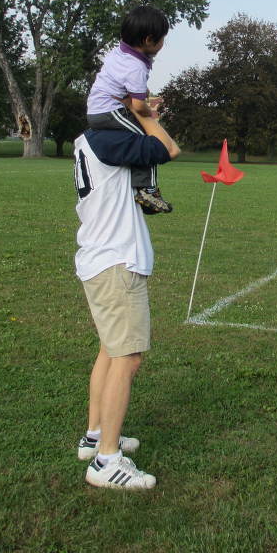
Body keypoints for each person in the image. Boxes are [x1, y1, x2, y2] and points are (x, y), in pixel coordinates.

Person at [72, 105, 180, 490]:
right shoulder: (108, 140)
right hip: (116, 263)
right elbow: (168, 148)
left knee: (110, 350)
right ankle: (106, 460)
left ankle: (96, 436)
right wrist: (146, 113)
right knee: (127, 357)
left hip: (101, 260)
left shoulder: (92, 139)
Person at [86, 5, 172, 214]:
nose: (163, 43)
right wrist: (150, 114)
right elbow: (138, 105)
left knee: (139, 141)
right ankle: (147, 190)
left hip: (98, 110)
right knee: (150, 141)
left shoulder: (120, 53)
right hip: (110, 111)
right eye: (162, 39)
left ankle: (143, 186)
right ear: (148, 40)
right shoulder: (136, 66)